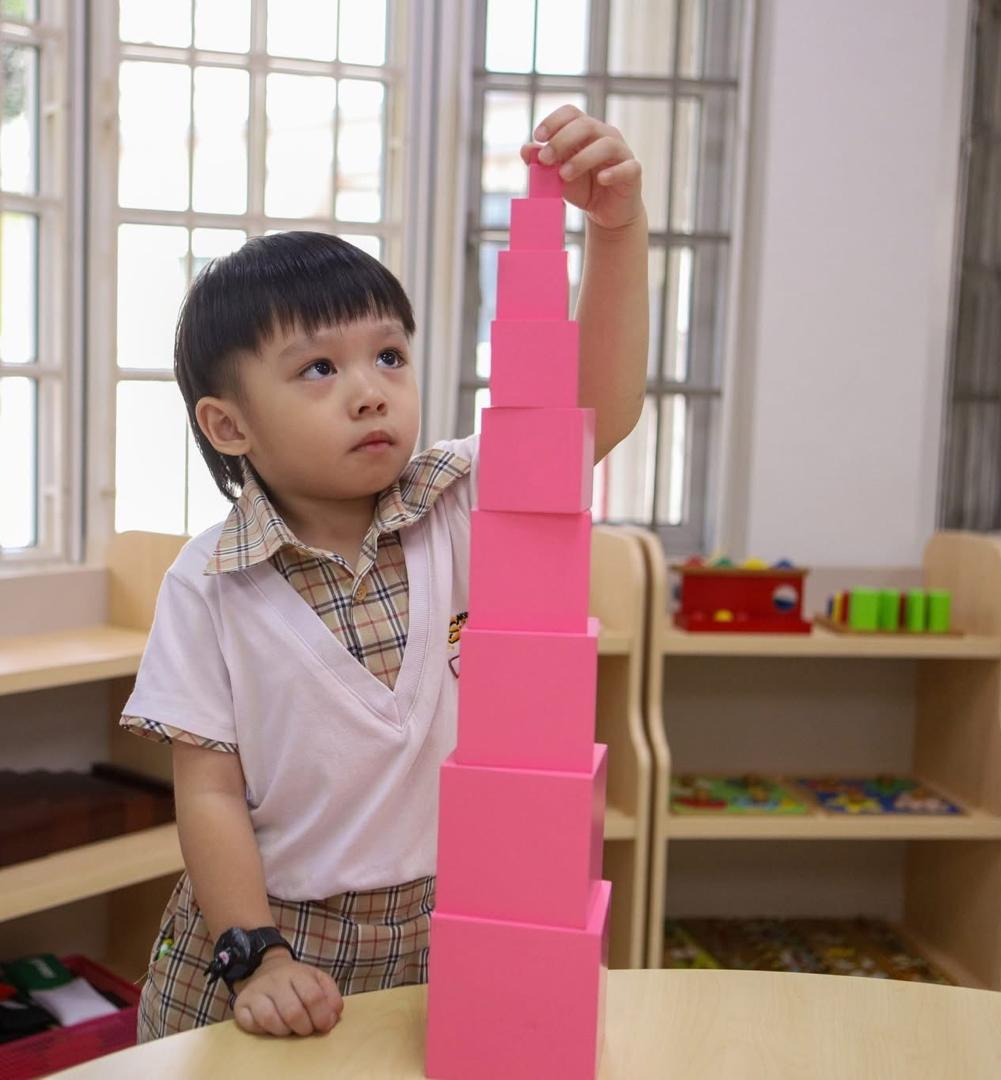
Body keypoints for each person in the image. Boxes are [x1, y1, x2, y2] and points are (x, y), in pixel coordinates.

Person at [121, 104, 648, 1042]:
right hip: (275, 936)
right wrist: (257, 951)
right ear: (229, 426)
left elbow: (590, 418)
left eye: (388, 355)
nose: (370, 388)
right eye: (317, 368)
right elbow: (206, 793)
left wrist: (615, 230)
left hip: (441, 924)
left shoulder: (453, 503)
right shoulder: (207, 584)